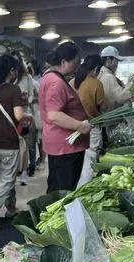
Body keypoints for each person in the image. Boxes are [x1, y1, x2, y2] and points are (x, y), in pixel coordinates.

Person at [0, 55, 33, 229]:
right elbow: (18, 116)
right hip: (9, 140)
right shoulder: (14, 90)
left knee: (3, 178)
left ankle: (11, 208)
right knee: (9, 179)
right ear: (11, 71)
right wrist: (30, 116)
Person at [39, 42, 91, 192]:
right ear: (63, 62)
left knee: (57, 188)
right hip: (66, 146)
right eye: (75, 62)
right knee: (64, 190)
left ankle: (51, 214)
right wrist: (81, 126)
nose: (77, 66)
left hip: (59, 143)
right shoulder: (56, 82)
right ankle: (59, 215)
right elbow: (54, 115)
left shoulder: (49, 77)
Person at [71, 55, 106, 187]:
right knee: (89, 163)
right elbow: (103, 107)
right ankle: (83, 192)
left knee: (80, 161)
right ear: (96, 69)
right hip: (92, 127)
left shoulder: (75, 82)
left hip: (76, 127)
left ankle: (77, 189)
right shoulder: (96, 84)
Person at [11, 50, 36, 183]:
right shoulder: (8, 78)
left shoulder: (27, 78)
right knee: (14, 144)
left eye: (17, 61)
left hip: (24, 114)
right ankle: (17, 170)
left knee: (25, 143)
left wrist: (27, 100)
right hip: (11, 115)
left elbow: (32, 95)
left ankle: (26, 170)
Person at [98, 46, 134, 111]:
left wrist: (129, 82)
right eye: (116, 61)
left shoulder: (101, 73)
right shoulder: (108, 77)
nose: (117, 64)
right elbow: (121, 97)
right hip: (112, 117)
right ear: (108, 59)